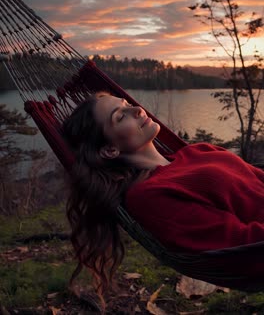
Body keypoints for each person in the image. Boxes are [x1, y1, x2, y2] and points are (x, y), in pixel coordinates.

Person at [63, 91, 264, 306]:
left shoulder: (195, 151)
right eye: (120, 117)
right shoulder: (149, 196)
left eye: (127, 103)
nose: (137, 109)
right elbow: (244, 248)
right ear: (110, 149)